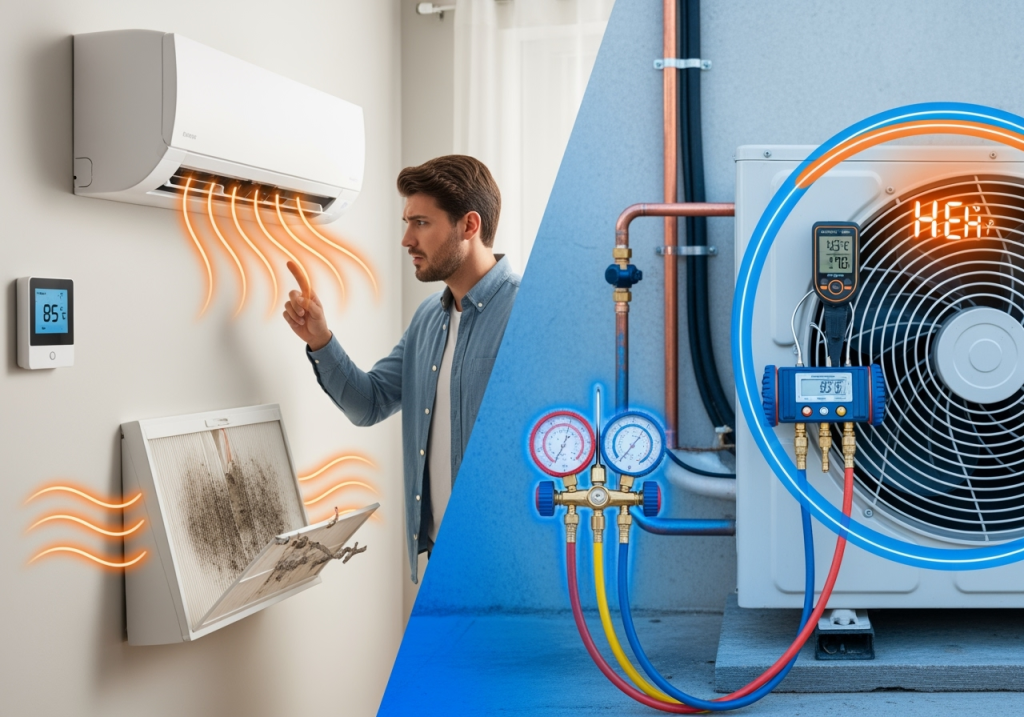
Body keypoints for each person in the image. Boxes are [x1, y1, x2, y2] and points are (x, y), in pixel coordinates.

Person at [282, 155, 520, 582]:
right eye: (407, 222)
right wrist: (320, 338)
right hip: (440, 566)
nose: (407, 239)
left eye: (422, 223)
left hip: (508, 570)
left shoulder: (528, 312)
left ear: (469, 226)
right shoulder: (429, 319)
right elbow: (368, 404)